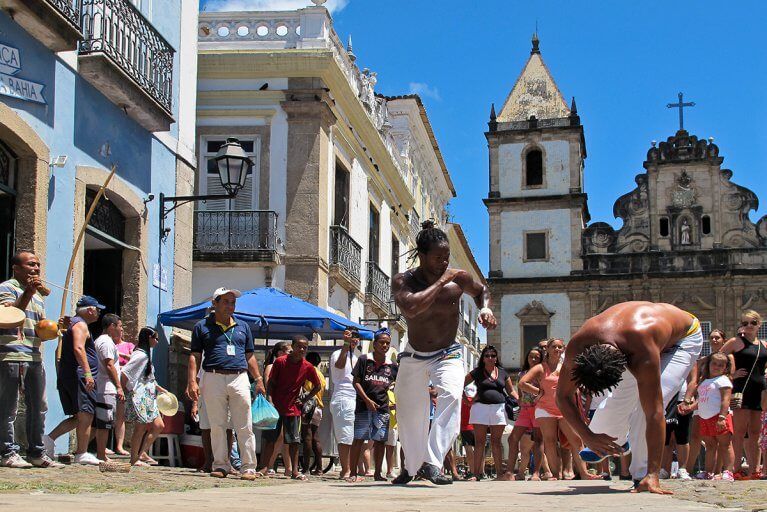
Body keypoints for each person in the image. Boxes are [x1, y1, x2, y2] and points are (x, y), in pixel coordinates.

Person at [557, 301, 703, 494]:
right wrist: (587, 436)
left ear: (624, 363)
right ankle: (615, 439)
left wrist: (654, 473)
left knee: (646, 406)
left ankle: (644, 474)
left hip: (683, 338)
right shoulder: (578, 346)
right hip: (630, 335)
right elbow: (562, 396)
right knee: (622, 393)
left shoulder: (641, 350)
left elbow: (655, 413)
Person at [391, 220, 496, 485]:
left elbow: (481, 290)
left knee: (451, 395)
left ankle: (432, 463)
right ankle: (411, 466)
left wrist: (485, 308)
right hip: (414, 354)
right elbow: (412, 308)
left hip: (448, 352)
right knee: (408, 411)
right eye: (438, 257)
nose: (444, 262)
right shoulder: (404, 281)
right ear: (422, 256)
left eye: (447, 256)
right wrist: (441, 282)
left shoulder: (458, 278)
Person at [186, 287, 266, 481]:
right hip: (213, 376)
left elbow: (249, 356)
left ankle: (248, 467)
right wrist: (192, 381)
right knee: (217, 424)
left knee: (244, 424)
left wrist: (259, 379)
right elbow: (195, 356)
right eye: (226, 302)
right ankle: (221, 464)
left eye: (233, 302)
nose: (231, 306)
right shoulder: (201, 326)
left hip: (239, 377)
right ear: (215, 303)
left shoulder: (243, 326)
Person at [0, 250, 61, 468]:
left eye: (37, 265)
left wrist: (54, 329)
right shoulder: (6, 288)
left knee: (38, 406)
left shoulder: (37, 296)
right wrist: (28, 291)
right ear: (16, 268)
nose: (35, 269)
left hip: (34, 355)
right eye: (30, 265)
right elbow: (11, 315)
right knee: (8, 407)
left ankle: (36, 452)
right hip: (10, 354)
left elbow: (39, 329)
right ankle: (7, 452)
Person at [519, 338, 597, 481]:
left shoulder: (566, 367)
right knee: (550, 441)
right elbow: (522, 383)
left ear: (563, 349)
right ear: (547, 349)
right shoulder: (541, 368)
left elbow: (577, 386)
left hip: (564, 408)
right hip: (545, 409)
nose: (557, 349)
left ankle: (584, 473)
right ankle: (555, 474)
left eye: (560, 347)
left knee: (576, 439)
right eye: (554, 346)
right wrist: (538, 392)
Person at [46, 295, 106, 465]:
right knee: (86, 414)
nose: (99, 313)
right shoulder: (80, 324)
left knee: (79, 416)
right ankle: (82, 453)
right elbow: (78, 348)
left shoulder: (73, 323)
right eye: (98, 310)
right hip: (80, 376)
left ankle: (49, 439)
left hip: (72, 375)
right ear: (90, 309)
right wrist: (88, 374)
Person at [258, 335, 320, 480]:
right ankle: (264, 468)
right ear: (293, 346)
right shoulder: (280, 362)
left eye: (305, 347)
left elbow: (317, 386)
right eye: (299, 346)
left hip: (293, 408)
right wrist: (270, 400)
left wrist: (305, 398)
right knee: (270, 439)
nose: (302, 349)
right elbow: (272, 382)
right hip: (276, 406)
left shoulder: (307, 366)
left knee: (293, 441)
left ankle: (294, 471)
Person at [722, 310, 767, 480]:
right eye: (745, 323)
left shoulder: (764, 344)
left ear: (759, 324)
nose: (749, 326)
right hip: (741, 390)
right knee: (739, 431)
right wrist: (730, 376)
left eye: (753, 323)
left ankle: (755, 469)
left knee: (755, 432)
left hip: (759, 390)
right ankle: (736, 468)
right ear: (741, 325)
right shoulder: (735, 342)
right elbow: (716, 358)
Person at [349, 328, 398, 482]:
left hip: (382, 408)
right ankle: (353, 474)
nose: (384, 345)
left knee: (380, 441)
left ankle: (377, 473)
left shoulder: (393, 366)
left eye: (387, 343)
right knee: (358, 439)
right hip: (363, 407)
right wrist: (367, 400)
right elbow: (356, 382)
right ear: (374, 344)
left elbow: (399, 384)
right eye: (382, 342)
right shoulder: (364, 360)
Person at [464, 345, 516, 480]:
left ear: (496, 357)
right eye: (487, 355)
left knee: (496, 442)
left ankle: (499, 474)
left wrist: (518, 401)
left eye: (493, 355)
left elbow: (511, 391)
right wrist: (466, 400)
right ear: (483, 358)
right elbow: (460, 384)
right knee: (479, 442)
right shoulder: (477, 372)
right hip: (480, 407)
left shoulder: (503, 372)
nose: (490, 358)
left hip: (499, 408)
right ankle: (476, 474)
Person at [122, 327, 167, 466]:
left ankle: (140, 454)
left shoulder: (146, 355)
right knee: (140, 428)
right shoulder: (140, 355)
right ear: (149, 338)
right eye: (156, 338)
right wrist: (123, 390)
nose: (157, 341)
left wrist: (160, 389)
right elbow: (125, 373)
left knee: (159, 425)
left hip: (149, 396)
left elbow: (148, 378)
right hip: (140, 395)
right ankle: (134, 458)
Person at [688, 352, 735, 480]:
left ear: (725, 368)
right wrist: (690, 407)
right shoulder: (704, 381)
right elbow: (703, 399)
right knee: (710, 446)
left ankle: (728, 472)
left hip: (718, 417)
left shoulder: (723, 380)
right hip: (705, 417)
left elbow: (726, 400)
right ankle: (708, 472)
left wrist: (722, 418)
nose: (717, 367)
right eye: (714, 363)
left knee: (725, 444)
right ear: (709, 365)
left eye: (721, 365)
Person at [504, 347, 546, 481]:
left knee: (538, 440)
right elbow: (520, 394)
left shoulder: (542, 372)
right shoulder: (522, 373)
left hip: (537, 408)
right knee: (512, 438)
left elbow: (544, 390)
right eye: (531, 356)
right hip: (525, 409)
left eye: (536, 357)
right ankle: (510, 472)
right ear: (527, 358)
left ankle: (536, 473)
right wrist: (520, 402)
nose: (533, 359)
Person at [328, 328, 360, 480]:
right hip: (343, 396)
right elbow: (340, 366)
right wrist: (345, 346)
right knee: (345, 435)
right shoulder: (338, 353)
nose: (354, 339)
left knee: (354, 436)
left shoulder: (357, 357)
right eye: (351, 337)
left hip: (355, 397)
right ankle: (345, 470)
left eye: (356, 337)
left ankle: (352, 469)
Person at [93, 314, 125, 462]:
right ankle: (101, 454)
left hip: (104, 387)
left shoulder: (103, 341)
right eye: (119, 326)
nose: (121, 329)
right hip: (106, 388)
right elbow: (109, 364)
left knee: (102, 422)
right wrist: (118, 386)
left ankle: (96, 452)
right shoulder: (106, 342)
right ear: (112, 326)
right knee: (104, 423)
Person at [262, 341, 292, 475]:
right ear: (280, 353)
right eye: (289, 351)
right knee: (273, 437)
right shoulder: (271, 366)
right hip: (273, 405)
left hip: (284, 405)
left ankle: (283, 467)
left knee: (282, 438)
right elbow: (269, 384)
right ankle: (266, 465)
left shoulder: (286, 366)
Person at [301, 351, 325, 475]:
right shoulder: (321, 374)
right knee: (315, 438)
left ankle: (305, 469)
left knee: (307, 437)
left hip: (309, 407)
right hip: (319, 408)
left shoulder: (309, 372)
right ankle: (319, 468)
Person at [113, 336, 134, 455]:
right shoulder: (108, 344)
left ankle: (119, 446)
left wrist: (119, 354)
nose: (120, 332)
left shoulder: (128, 345)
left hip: (124, 385)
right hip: (111, 383)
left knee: (120, 417)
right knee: (107, 416)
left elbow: (133, 360)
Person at [385, 384, 398, 479]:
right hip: (385, 422)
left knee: (391, 448)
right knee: (379, 447)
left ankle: (390, 470)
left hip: (394, 423)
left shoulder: (396, 394)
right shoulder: (387, 393)